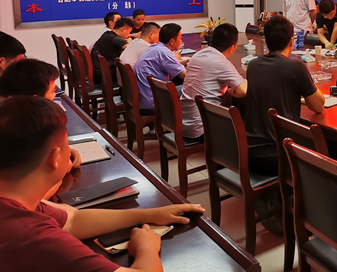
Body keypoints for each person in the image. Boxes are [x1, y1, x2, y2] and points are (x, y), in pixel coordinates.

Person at [0, 95, 205, 272]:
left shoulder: (16, 198)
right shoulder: (30, 235)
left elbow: (73, 221)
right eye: (66, 143)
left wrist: (151, 215)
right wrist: (147, 247)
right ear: (55, 158)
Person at [241, 16, 325, 175]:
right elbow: (318, 106)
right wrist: (310, 82)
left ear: (266, 42)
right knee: (327, 146)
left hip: (249, 151)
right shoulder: (296, 67)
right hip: (279, 155)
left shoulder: (253, 65)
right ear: (292, 41)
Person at [0, 59, 83, 167]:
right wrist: (64, 164)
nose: (55, 96)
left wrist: (66, 151)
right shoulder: (16, 131)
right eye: (53, 91)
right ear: (36, 100)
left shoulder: (12, 115)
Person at [180, 23, 247, 139]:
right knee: (243, 124)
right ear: (233, 46)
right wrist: (229, 91)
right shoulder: (220, 62)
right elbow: (243, 90)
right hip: (203, 127)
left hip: (184, 123)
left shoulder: (197, 55)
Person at [134, 24, 187, 115]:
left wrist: (183, 62)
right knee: (193, 88)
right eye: (180, 38)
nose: (181, 41)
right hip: (153, 102)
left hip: (145, 99)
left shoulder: (155, 47)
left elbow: (165, 65)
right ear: (172, 41)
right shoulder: (165, 52)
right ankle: (187, 121)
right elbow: (184, 75)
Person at [91, 17, 133, 84]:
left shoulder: (108, 34)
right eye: (129, 32)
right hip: (104, 75)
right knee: (132, 74)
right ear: (123, 29)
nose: (129, 35)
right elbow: (131, 48)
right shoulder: (115, 38)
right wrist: (131, 41)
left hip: (99, 72)